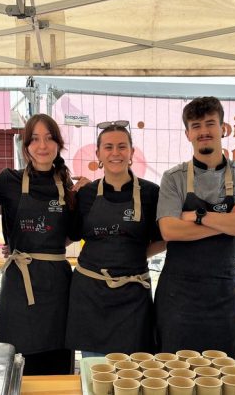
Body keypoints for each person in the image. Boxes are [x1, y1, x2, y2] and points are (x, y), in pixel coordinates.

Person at [156, 96, 235, 356]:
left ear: (223, 128)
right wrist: (229, 221)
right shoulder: (174, 178)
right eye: (196, 126)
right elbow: (169, 230)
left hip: (223, 294)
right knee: (174, 374)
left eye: (210, 123)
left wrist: (197, 216)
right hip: (178, 297)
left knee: (223, 374)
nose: (203, 131)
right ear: (187, 134)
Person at [0, 114, 85, 375]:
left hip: (57, 284)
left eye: (49, 138)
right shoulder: (8, 180)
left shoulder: (66, 186)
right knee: (19, 361)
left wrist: (81, 199)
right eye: (34, 139)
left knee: (57, 362)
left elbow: (69, 235)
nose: (42, 145)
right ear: (26, 146)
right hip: (20, 283)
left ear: (58, 144)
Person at [65, 121, 165, 357]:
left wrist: (133, 257)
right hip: (90, 294)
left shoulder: (151, 193)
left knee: (132, 374)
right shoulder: (86, 195)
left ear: (131, 152)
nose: (115, 153)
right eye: (108, 147)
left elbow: (164, 238)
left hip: (133, 296)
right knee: (95, 370)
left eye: (122, 146)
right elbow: (70, 236)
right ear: (98, 154)